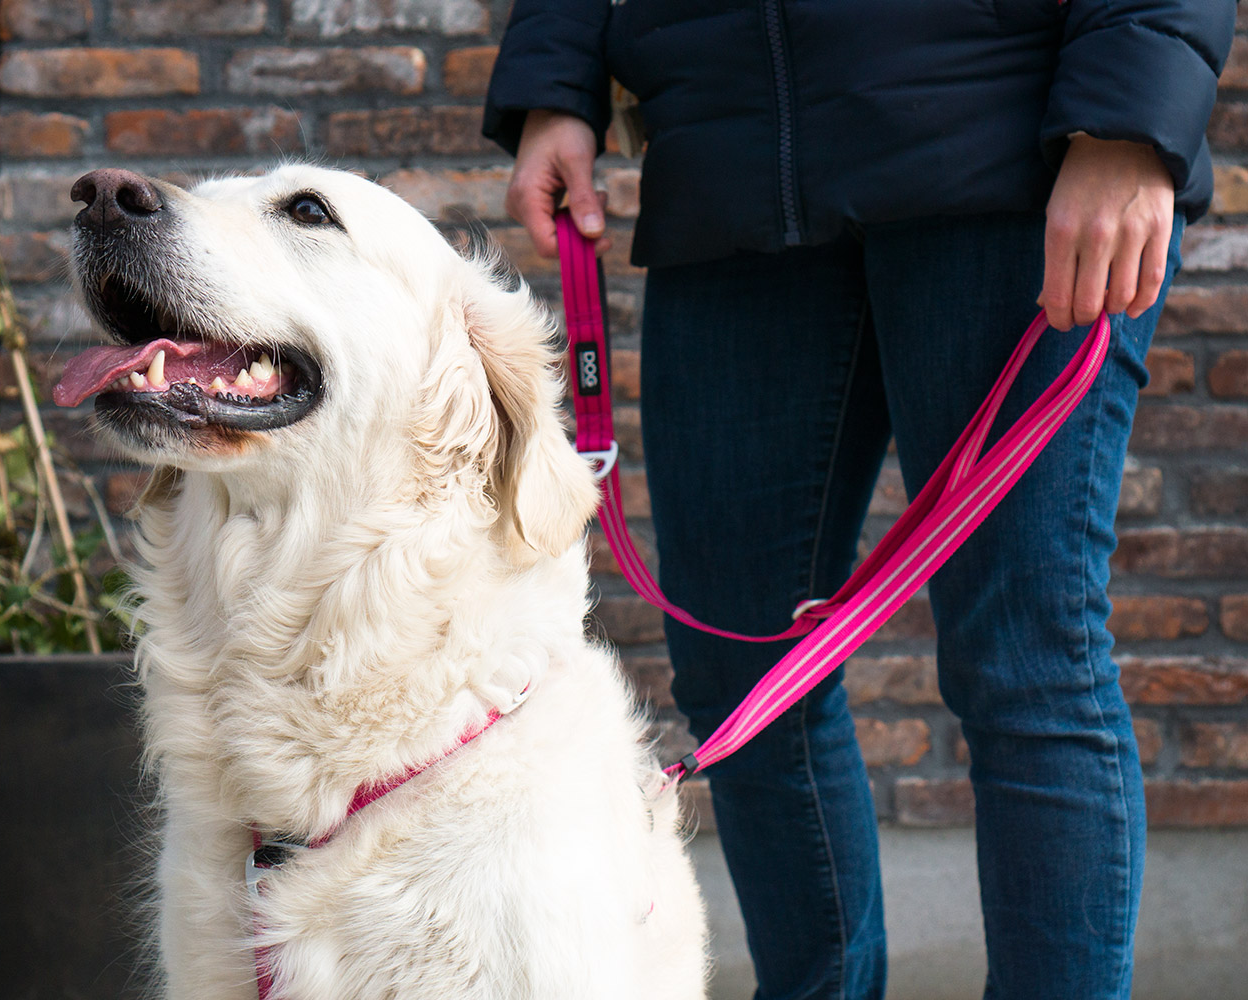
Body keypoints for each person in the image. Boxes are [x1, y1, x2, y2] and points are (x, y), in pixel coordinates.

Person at [482, 4, 1235, 1000]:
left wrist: (1130, 122)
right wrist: (557, 77)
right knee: (743, 677)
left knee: (1023, 660)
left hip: (1007, 141)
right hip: (730, 159)